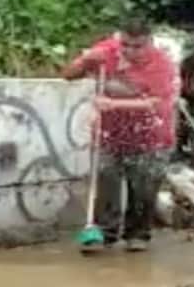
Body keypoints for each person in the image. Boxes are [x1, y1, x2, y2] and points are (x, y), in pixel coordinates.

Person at [62, 20, 178, 253]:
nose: (130, 51)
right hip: (110, 134)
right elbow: (68, 75)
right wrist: (85, 60)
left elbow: (156, 103)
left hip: (151, 136)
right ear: (119, 39)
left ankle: (138, 235)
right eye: (125, 45)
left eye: (138, 47)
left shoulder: (161, 64)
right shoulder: (107, 51)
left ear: (149, 43)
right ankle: (104, 235)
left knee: (143, 189)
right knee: (105, 183)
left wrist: (114, 104)